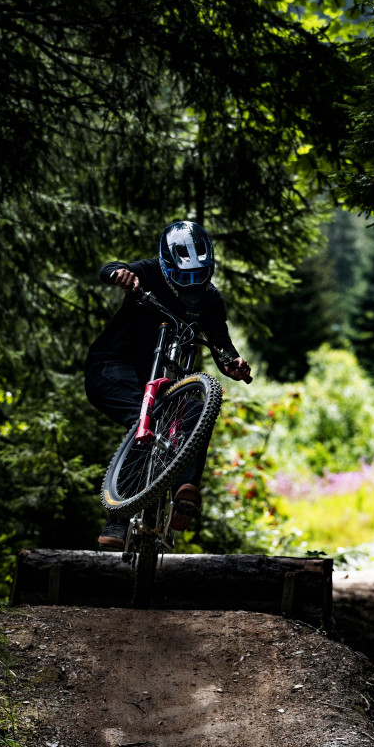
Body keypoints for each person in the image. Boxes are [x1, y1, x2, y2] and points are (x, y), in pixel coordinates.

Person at [85, 220, 251, 549]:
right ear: (165, 265)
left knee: (199, 409)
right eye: (183, 277)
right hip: (113, 366)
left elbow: (221, 344)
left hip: (161, 381)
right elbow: (109, 268)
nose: (191, 286)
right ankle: (117, 521)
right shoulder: (148, 273)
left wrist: (233, 363)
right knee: (143, 421)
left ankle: (184, 493)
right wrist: (120, 274)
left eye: (198, 277)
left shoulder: (210, 301)